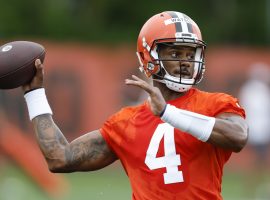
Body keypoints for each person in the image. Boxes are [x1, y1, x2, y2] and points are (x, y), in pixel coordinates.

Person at [22, 11, 248, 200]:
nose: (185, 62)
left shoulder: (216, 103)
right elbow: (60, 157)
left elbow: (238, 136)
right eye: (175, 52)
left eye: (191, 54)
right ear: (148, 57)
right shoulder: (126, 123)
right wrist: (34, 94)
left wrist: (169, 113)